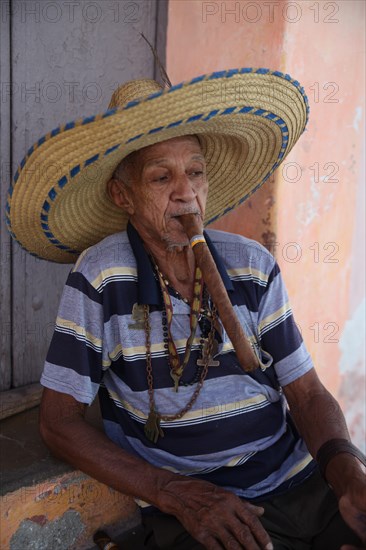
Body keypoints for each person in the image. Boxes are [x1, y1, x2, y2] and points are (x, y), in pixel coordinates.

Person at [6, 69, 366, 549]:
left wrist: (347, 472)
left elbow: (305, 394)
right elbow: (57, 423)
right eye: (161, 177)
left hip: (300, 481)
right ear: (123, 196)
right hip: (200, 505)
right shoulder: (102, 276)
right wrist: (172, 492)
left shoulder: (252, 265)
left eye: (195, 172)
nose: (185, 193)